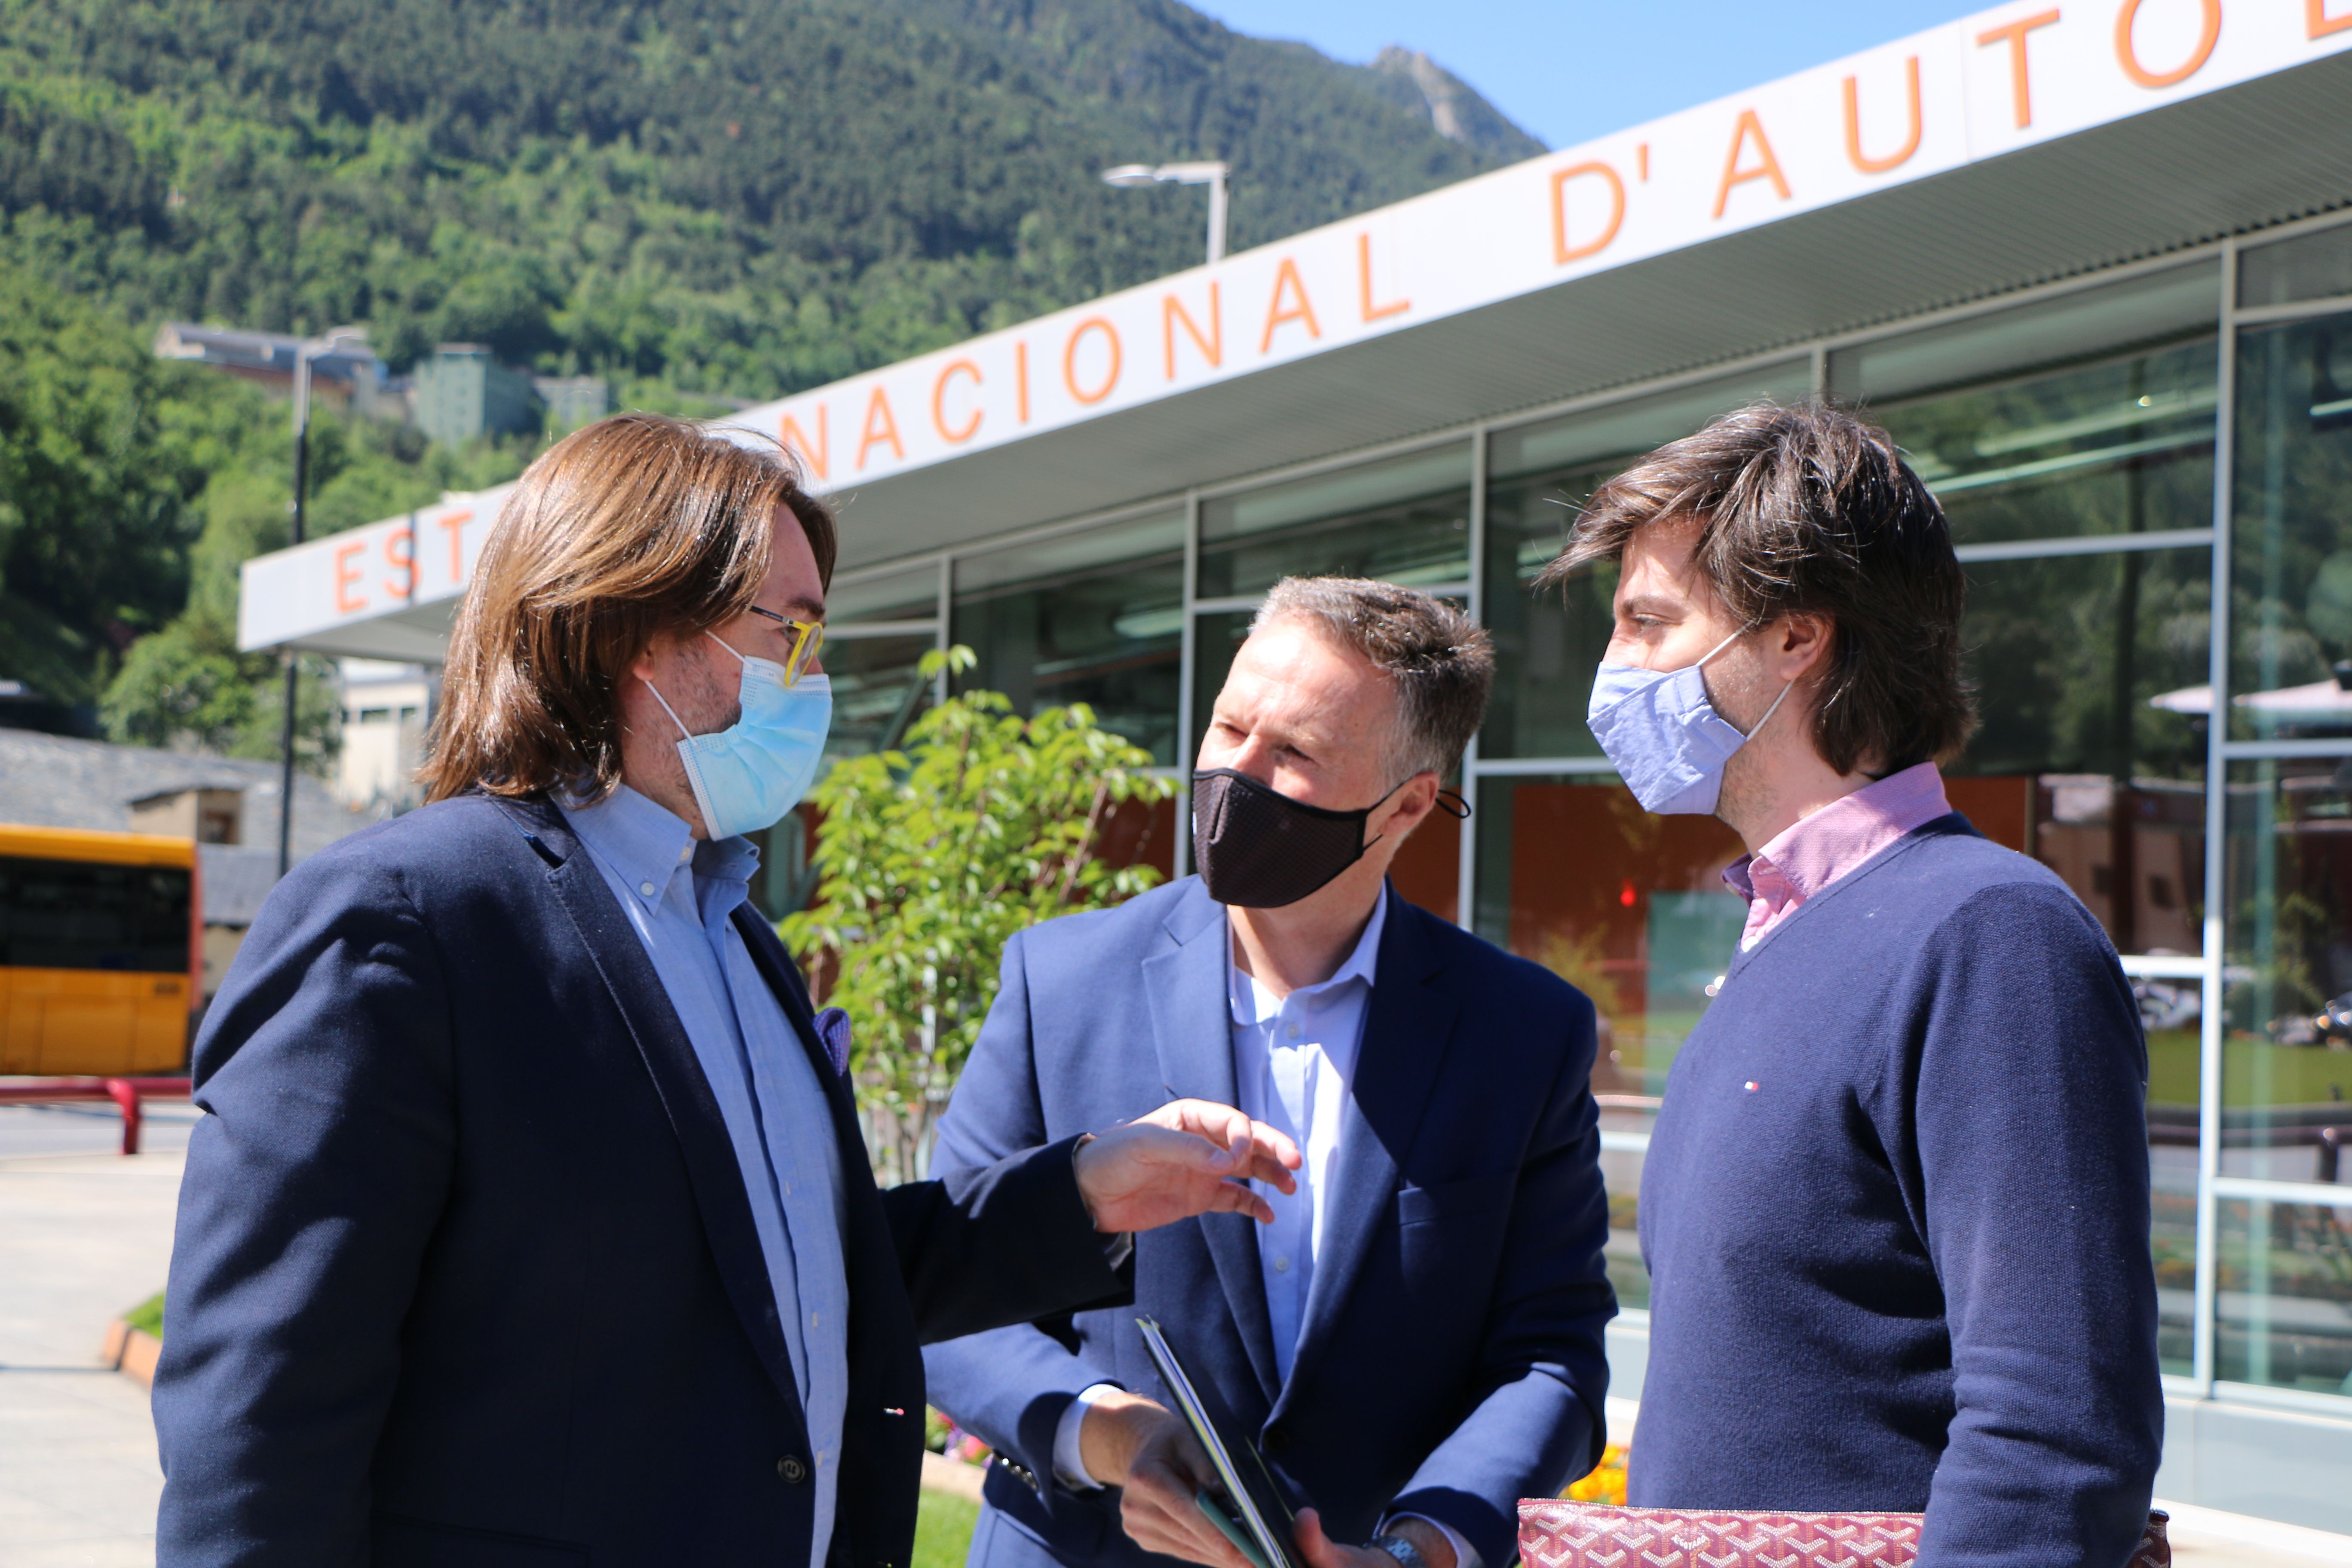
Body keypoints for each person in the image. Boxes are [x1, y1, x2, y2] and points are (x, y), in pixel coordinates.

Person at [150, 413, 1304, 1568]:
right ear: (638, 631)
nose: (815, 677)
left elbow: (805, 1272)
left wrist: (1083, 1190)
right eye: (787, 633)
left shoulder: (735, 934)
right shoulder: (407, 919)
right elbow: (260, 1422)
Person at [1549, 401, 2161, 1563]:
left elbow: (2053, 1439)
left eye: (1649, 623)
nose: (1614, 670)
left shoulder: (1991, 934)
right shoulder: (1783, 932)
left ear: (1796, 637)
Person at [922, 578, 1616, 1568]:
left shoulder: (1524, 1033)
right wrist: (1107, 1435)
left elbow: (1551, 1353)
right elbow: (947, 1294)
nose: (1234, 773)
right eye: (1229, 727)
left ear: (1407, 805)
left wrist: (1423, 1549)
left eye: (1293, 753)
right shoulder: (1060, 981)